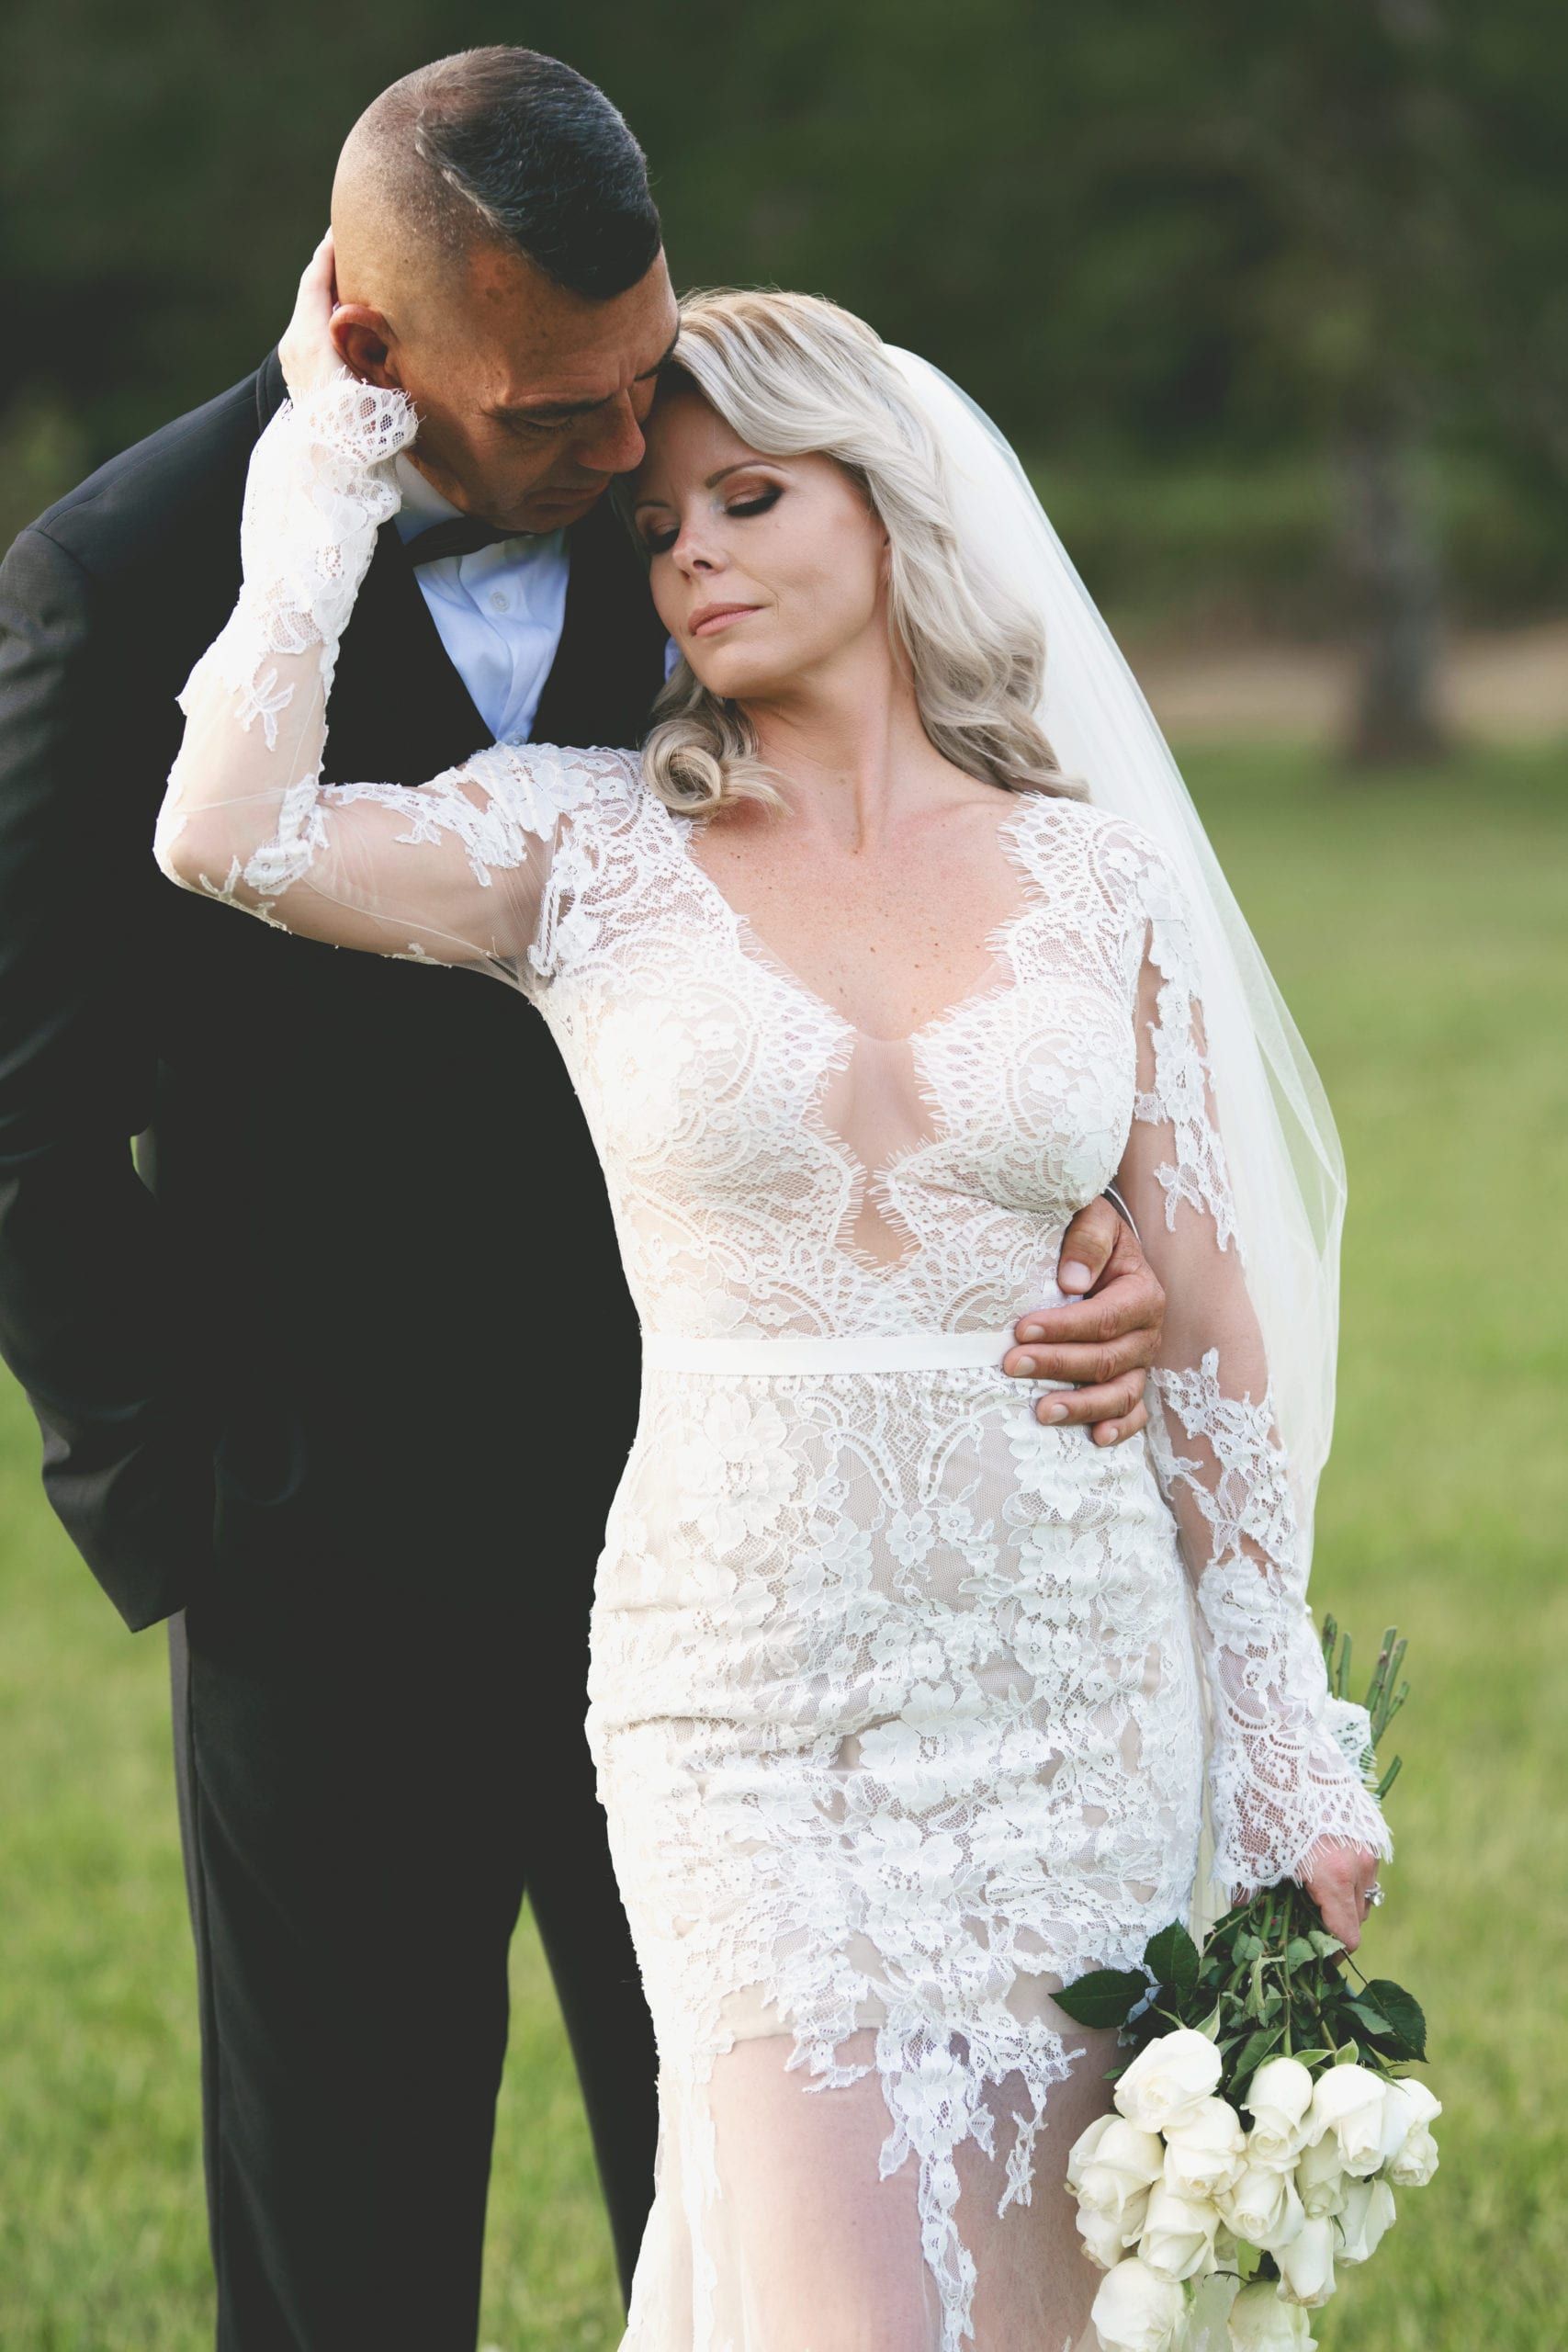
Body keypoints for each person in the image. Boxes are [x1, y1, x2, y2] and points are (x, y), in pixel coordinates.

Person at [0, 48, 1168, 2349]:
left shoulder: (719, 499)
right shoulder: (122, 579)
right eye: (559, 407)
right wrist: (198, 1497)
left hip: (779, 1575)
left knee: (775, 2223)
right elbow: (17, 1090)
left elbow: (930, 924)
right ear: (377, 343)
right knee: (347, 2243)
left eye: (643, 383)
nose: (631, 456)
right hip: (334, 1555)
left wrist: (1064, 1216)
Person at [152, 239, 1394, 2349]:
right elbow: (226, 825)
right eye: (656, 528)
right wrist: (332, 455)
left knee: (1052, 2310)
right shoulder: (584, 845)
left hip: (1070, 1685)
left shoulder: (1087, 870)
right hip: (748, 1695)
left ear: (888, 507)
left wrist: (1283, 1739)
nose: (689, 559)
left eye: (749, 500)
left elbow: (1200, 1324)